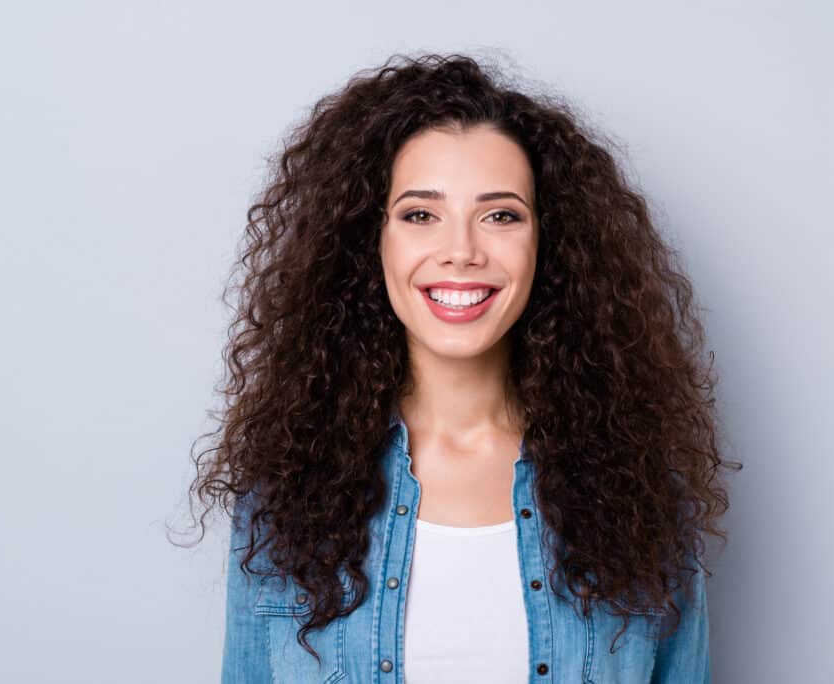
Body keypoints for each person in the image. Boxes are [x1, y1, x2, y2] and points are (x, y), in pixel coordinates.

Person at [185, 51, 741, 683]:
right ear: (371, 240)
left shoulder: (639, 495)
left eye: (501, 215)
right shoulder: (285, 495)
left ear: (548, 244)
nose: (460, 251)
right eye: (420, 214)